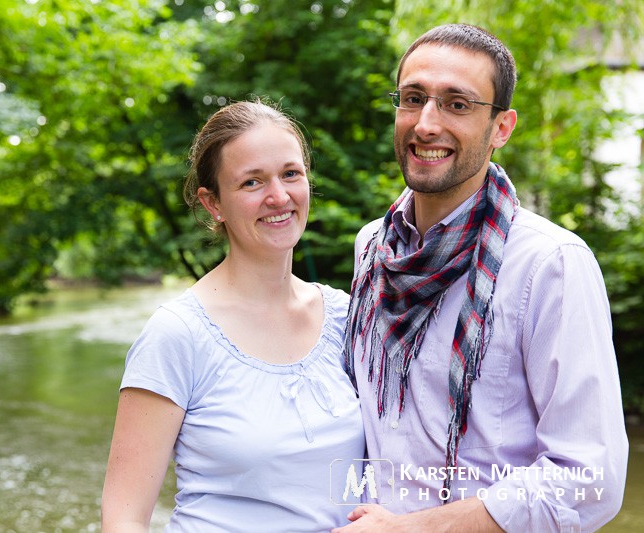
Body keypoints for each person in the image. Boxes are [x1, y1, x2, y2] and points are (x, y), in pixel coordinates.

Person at [336, 24, 628, 532]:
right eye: (413, 98)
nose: (427, 123)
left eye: (458, 104)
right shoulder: (372, 249)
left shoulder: (549, 264)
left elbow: (589, 478)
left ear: (502, 128)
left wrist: (412, 528)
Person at [101, 99, 365, 532]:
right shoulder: (177, 335)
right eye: (251, 182)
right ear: (213, 203)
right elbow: (123, 518)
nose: (278, 196)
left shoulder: (348, 317)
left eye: (290, 174)